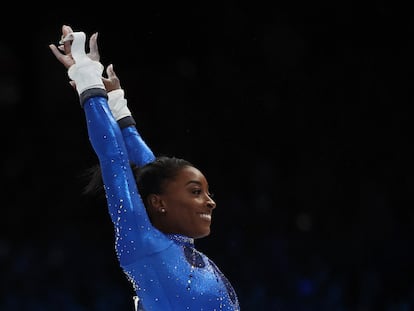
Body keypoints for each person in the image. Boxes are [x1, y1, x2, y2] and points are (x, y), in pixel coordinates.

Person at [49, 25, 240, 311]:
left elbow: (153, 174)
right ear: (159, 203)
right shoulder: (142, 241)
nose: (210, 202)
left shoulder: (176, 243)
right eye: (196, 192)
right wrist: (87, 78)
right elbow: (113, 158)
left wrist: (118, 106)